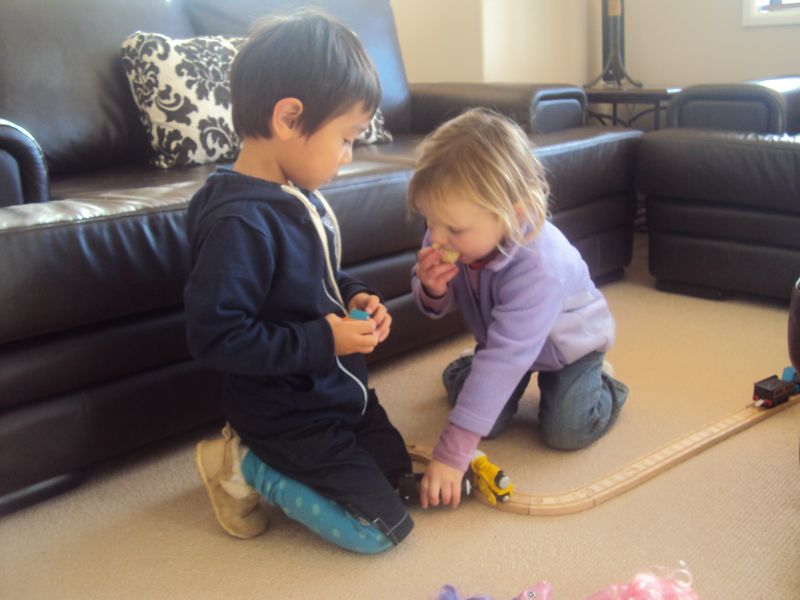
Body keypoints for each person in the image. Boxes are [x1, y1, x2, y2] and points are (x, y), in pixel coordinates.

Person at [184, 9, 414, 554]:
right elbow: (217, 338)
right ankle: (244, 464)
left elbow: (318, 277)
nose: (348, 156)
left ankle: (293, 457)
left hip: (338, 397)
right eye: (346, 138)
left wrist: (355, 294)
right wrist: (325, 339)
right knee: (379, 532)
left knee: (401, 480)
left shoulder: (296, 196)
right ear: (289, 118)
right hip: (287, 416)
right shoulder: (238, 222)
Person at [408, 108, 629, 509]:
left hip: (569, 350)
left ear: (515, 214)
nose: (436, 238)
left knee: (566, 431)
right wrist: (432, 288)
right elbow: (445, 306)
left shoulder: (540, 266)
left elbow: (506, 358)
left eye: (453, 229)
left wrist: (453, 454)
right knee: (485, 421)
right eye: (430, 221)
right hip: (503, 341)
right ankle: (471, 368)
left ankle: (607, 385)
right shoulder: (451, 232)